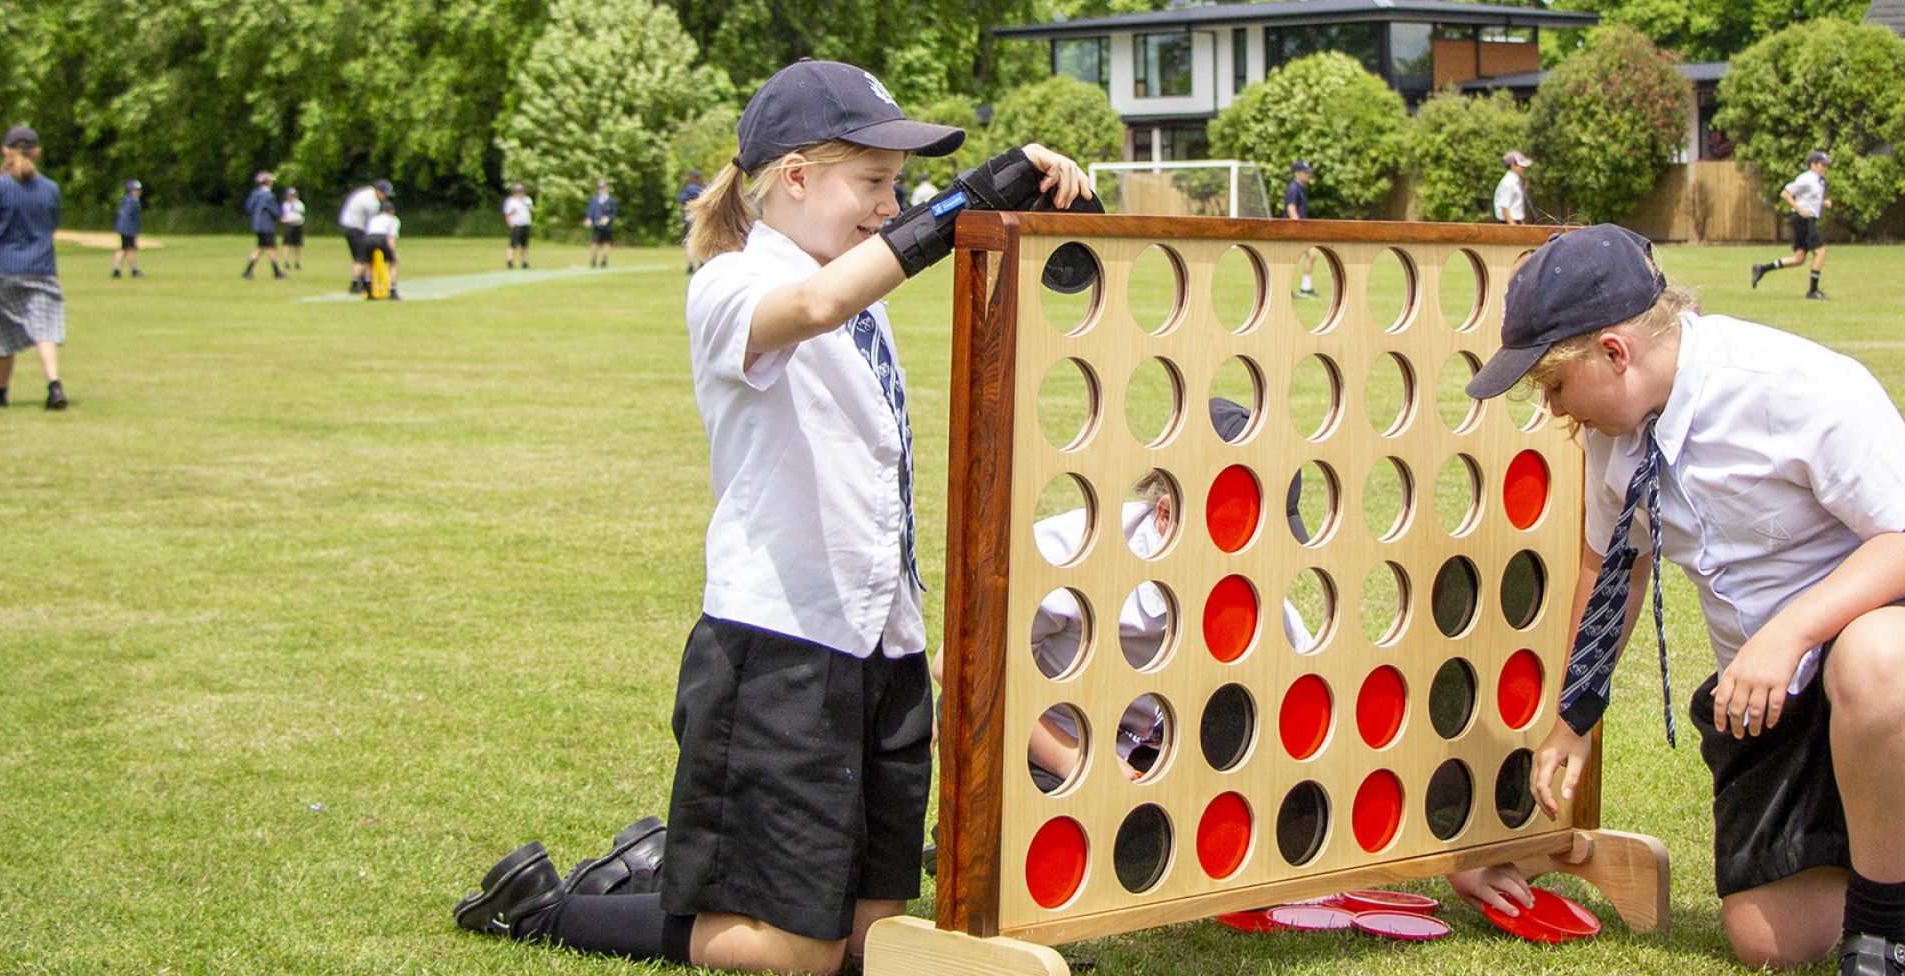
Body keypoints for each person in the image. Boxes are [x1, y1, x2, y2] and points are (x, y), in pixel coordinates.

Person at [448, 58, 1094, 975]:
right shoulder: (733, 285)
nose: (887, 203)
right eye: (872, 182)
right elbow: (821, 306)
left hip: (884, 641)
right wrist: (956, 209)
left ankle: (671, 864)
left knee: (873, 938)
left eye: (896, 186)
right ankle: (558, 910)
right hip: (782, 648)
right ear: (795, 178)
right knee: (803, 957)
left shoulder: (851, 277)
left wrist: (1048, 214)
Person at [1449, 225, 1905, 976]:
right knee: (1767, 943)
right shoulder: (1614, 436)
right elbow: (1610, 573)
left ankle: (1880, 936)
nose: (1554, 410)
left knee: (1873, 663)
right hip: (1773, 689)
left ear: (1615, 353)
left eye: (1553, 385)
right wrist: (1573, 716)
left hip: (1903, 611)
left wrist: (1791, 632)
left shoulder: (1794, 385)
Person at [1027, 400, 1315, 791]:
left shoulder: (1248, 596)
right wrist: (1077, 761)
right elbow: (954, 667)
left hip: (1155, 755)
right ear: (1166, 516)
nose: (1249, 564)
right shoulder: (1075, 553)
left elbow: (1308, 678)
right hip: (1051, 743)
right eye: (1234, 541)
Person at [0, 125, 69, 410]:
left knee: (5, 331)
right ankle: (54, 385)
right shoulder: (50, 189)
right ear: (37, 152)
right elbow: (51, 223)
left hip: (7, 268)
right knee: (45, 329)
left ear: (5, 150)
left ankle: (1, 392)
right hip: (41, 266)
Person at [1750, 150, 1831, 300]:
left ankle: (1762, 268)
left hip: (1808, 220)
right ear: (1813, 165)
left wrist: (1823, 203)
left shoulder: (1819, 181)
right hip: (1804, 220)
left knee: (1799, 258)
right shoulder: (1806, 178)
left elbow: (1809, 199)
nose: (1825, 168)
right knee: (1820, 252)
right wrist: (1800, 209)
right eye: (1822, 165)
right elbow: (1785, 193)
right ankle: (1813, 291)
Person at [337, 179, 391, 295]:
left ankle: (362, 281)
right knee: (362, 258)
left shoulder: (366, 191)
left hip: (347, 224)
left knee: (359, 256)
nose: (385, 197)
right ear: (378, 190)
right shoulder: (372, 203)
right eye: (384, 194)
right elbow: (371, 225)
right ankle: (356, 284)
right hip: (355, 228)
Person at [242, 170, 285, 280]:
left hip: (257, 224)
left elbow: (248, 208)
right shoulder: (268, 195)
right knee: (270, 248)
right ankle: (277, 272)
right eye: (270, 181)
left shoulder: (254, 193)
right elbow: (275, 211)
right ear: (266, 182)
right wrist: (281, 217)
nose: (272, 183)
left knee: (261, 247)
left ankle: (248, 271)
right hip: (266, 225)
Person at [1285, 160, 1316, 297]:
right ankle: (1293, 289)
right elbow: (1291, 208)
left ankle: (1305, 288)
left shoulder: (1300, 188)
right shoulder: (1293, 188)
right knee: (1292, 259)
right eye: (1305, 172)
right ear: (1296, 173)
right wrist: (1298, 227)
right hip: (1292, 228)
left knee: (1311, 254)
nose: (1308, 174)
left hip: (1297, 228)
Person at [364, 202, 402, 300]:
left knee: (369, 264)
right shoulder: (393, 220)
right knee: (393, 262)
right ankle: (393, 291)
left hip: (368, 238)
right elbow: (391, 238)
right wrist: (393, 252)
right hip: (381, 238)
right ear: (391, 211)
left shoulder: (374, 218)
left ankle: (369, 293)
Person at [112, 179, 143, 279]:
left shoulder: (126, 200)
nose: (137, 191)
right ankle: (133, 270)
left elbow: (120, 213)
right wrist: (132, 231)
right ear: (130, 190)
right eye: (135, 189)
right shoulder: (132, 201)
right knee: (129, 249)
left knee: (124, 249)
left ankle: (116, 269)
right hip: (128, 229)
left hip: (123, 228)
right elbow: (127, 216)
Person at [675, 170, 705, 273]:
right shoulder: (702, 188)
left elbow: (681, 200)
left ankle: (691, 264)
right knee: (701, 239)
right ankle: (702, 261)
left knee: (689, 240)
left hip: (689, 217)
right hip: (700, 216)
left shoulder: (688, 189)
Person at [585, 181, 617, 268]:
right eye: (599, 188)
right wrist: (588, 219)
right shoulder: (594, 199)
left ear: (606, 188)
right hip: (596, 225)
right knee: (594, 242)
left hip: (607, 226)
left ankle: (604, 260)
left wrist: (608, 218)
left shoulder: (611, 200)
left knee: (606, 242)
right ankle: (593, 260)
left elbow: (614, 213)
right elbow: (590, 211)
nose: (601, 190)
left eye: (603, 188)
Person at [1496, 150, 1532, 225]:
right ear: (1512, 165)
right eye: (1521, 166)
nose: (1523, 169)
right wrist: (1512, 225)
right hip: (1510, 223)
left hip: (1515, 222)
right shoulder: (1509, 182)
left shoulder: (1514, 180)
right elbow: (1504, 206)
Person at [503, 182, 533, 270]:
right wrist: (510, 223)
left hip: (526, 224)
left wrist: (530, 208)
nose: (521, 193)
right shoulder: (511, 201)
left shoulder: (527, 200)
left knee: (524, 245)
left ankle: (524, 262)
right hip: (516, 225)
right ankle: (510, 261)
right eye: (519, 191)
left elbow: (531, 210)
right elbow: (507, 213)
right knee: (513, 244)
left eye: (522, 191)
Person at [278, 186, 306, 270]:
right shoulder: (285, 204)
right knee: (286, 244)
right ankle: (286, 261)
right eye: (289, 195)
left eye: (292, 195)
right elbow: (283, 215)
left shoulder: (299, 204)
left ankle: (297, 262)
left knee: (297, 244)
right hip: (289, 225)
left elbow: (301, 214)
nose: (291, 196)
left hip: (298, 225)